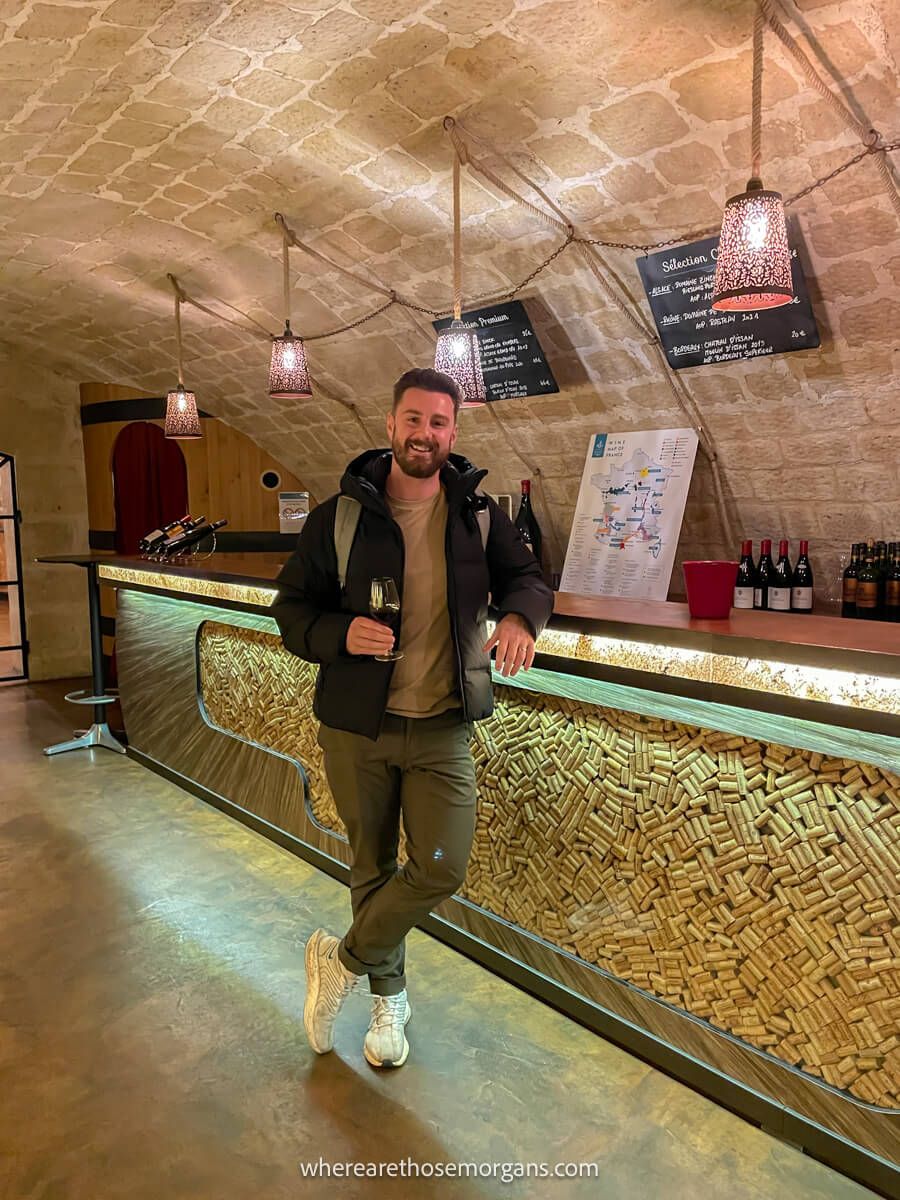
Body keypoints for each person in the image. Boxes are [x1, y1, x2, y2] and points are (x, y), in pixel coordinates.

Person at [271, 367, 553, 1069]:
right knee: (372, 863)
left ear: (453, 432)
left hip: (442, 728)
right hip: (356, 727)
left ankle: (340, 960)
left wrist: (521, 618)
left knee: (440, 866)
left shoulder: (480, 514)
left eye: (439, 422)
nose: (425, 434)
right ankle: (386, 1004)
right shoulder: (338, 516)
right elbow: (291, 614)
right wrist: (340, 636)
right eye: (413, 420)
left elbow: (527, 578)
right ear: (389, 425)